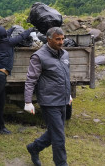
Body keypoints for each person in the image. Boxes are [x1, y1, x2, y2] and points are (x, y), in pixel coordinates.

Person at [24, 27, 72, 166]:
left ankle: (34, 148)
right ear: (49, 39)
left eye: (62, 39)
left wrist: (68, 94)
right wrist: (28, 101)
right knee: (59, 138)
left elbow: (65, 76)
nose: (61, 42)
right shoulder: (39, 56)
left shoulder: (65, 55)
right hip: (49, 102)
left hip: (62, 100)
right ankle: (61, 164)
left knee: (55, 132)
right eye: (58, 39)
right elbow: (31, 79)